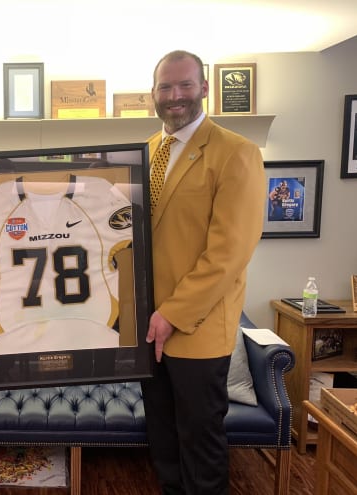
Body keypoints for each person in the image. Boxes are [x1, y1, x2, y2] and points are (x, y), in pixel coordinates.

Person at [141, 51, 265, 494]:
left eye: (185, 86)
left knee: (200, 441)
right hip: (146, 329)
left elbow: (228, 253)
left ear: (205, 88)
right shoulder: (149, 151)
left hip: (195, 328)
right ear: (153, 93)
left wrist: (172, 312)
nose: (175, 97)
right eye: (165, 88)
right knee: (163, 437)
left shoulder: (237, 153)